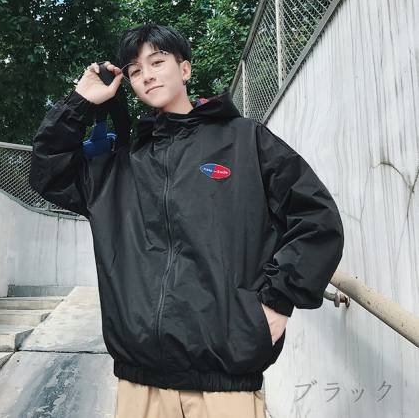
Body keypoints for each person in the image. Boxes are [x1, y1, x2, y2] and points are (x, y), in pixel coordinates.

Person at [29, 23, 344, 418]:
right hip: (140, 386)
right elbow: (48, 170)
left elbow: (316, 218)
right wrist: (81, 101)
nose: (147, 75)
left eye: (157, 62)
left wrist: (278, 303)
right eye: (136, 70)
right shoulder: (121, 167)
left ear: (185, 69)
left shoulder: (244, 141)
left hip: (225, 383)